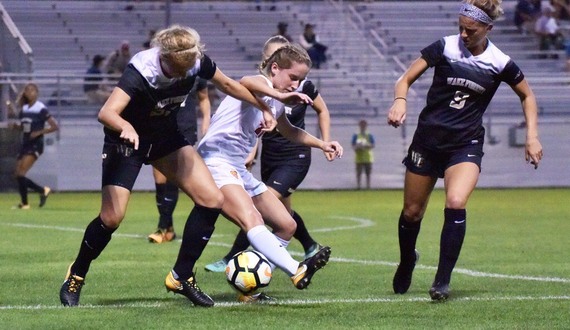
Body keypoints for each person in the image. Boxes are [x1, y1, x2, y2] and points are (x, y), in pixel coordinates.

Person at [59, 24, 277, 308]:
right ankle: (76, 274)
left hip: (164, 137)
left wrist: (265, 106)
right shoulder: (141, 71)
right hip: (127, 141)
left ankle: (181, 276)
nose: (181, 75)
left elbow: (228, 85)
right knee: (112, 218)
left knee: (212, 199)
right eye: (176, 69)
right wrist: (125, 126)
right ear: (165, 57)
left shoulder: (195, 62)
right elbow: (107, 112)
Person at [387, 0, 543, 301]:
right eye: (460, 27)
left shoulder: (499, 62)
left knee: (456, 202)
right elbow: (405, 79)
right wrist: (400, 100)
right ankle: (407, 260)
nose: (463, 34)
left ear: (488, 28)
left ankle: (442, 281)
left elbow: (528, 96)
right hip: (428, 141)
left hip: (465, 143)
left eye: (470, 30)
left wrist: (532, 136)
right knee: (412, 212)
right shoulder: (444, 47)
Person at [196, 43, 342, 303]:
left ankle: (249, 290)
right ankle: (297, 270)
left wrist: (322, 144)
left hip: (237, 167)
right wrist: (280, 98)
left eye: (301, 80)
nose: (296, 85)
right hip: (215, 161)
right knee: (252, 218)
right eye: (293, 78)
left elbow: (289, 131)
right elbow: (245, 80)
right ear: (275, 68)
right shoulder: (257, 84)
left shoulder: (275, 102)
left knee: (287, 224)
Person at [147, 77, 211, 244]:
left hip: (185, 129)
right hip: (160, 127)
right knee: (159, 179)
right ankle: (169, 229)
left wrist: (206, 121)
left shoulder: (196, 72)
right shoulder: (162, 71)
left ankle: (162, 227)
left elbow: (204, 98)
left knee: (174, 177)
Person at [7, 83, 59, 209]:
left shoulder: (40, 108)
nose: (29, 93)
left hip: (36, 144)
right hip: (25, 143)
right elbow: (24, 127)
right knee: (17, 174)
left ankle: (29, 200)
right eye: (27, 90)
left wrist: (39, 132)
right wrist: (16, 126)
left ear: (37, 93)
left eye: (32, 90)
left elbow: (54, 126)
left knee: (21, 173)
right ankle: (37, 194)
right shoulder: (24, 109)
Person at [351, 119, 375, 190]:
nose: (363, 126)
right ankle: (358, 186)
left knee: (368, 173)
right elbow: (353, 145)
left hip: (368, 157)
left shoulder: (369, 135)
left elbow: (373, 144)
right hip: (359, 157)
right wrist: (358, 147)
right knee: (359, 173)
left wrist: (366, 145)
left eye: (364, 124)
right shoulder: (356, 135)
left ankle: (368, 186)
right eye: (362, 124)